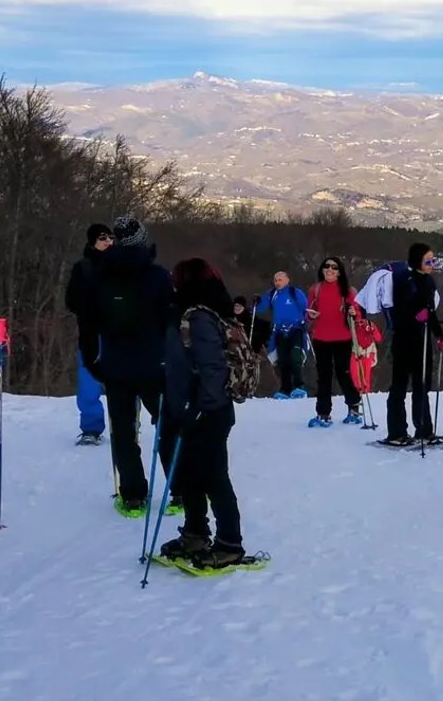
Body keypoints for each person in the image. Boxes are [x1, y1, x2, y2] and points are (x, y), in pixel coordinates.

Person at [156, 258, 254, 569]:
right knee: (189, 475)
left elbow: (213, 368)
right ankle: (195, 533)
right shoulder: (188, 312)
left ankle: (229, 542)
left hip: (207, 411)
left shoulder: (197, 316)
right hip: (187, 408)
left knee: (213, 476)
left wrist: (199, 409)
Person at [86, 215, 174, 512]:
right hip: (153, 362)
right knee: (167, 424)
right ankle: (181, 490)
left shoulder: (101, 274)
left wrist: (94, 360)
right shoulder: (159, 276)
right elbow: (169, 320)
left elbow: (91, 319)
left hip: (116, 364)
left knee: (123, 431)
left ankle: (133, 495)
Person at [381, 243, 443, 446]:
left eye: (433, 260)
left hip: (422, 339)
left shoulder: (429, 281)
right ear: (417, 259)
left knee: (422, 386)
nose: (431, 264)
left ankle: (424, 430)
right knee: (399, 385)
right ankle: (396, 432)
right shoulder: (403, 279)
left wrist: (439, 334)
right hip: (403, 340)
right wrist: (415, 317)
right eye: (428, 261)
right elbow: (399, 311)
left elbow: (430, 311)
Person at [63, 222, 113, 443]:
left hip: (118, 332)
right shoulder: (83, 267)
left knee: (124, 378)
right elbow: (71, 300)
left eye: (111, 238)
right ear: (93, 241)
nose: (109, 242)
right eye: (103, 238)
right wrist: (90, 308)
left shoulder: (121, 266)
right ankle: (91, 428)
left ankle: (128, 423)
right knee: (89, 381)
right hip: (91, 333)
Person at [305, 256, 363, 426]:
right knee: (323, 376)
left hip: (343, 338)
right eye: (327, 266)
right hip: (321, 337)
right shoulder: (315, 289)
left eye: (334, 267)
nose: (330, 269)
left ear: (339, 272)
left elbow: (358, 313)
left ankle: (353, 407)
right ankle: (323, 413)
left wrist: (353, 312)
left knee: (343, 373)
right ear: (322, 269)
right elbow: (309, 311)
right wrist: (311, 315)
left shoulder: (348, 291)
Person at [256, 271, 309, 399]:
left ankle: (299, 386)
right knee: (283, 360)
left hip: (295, 329)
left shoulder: (294, 292)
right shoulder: (272, 294)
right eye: (275, 280)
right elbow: (260, 308)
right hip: (280, 331)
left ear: (287, 280)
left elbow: (305, 307)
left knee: (295, 357)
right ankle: (285, 388)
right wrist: (257, 301)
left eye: (280, 280)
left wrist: (305, 321)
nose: (277, 283)